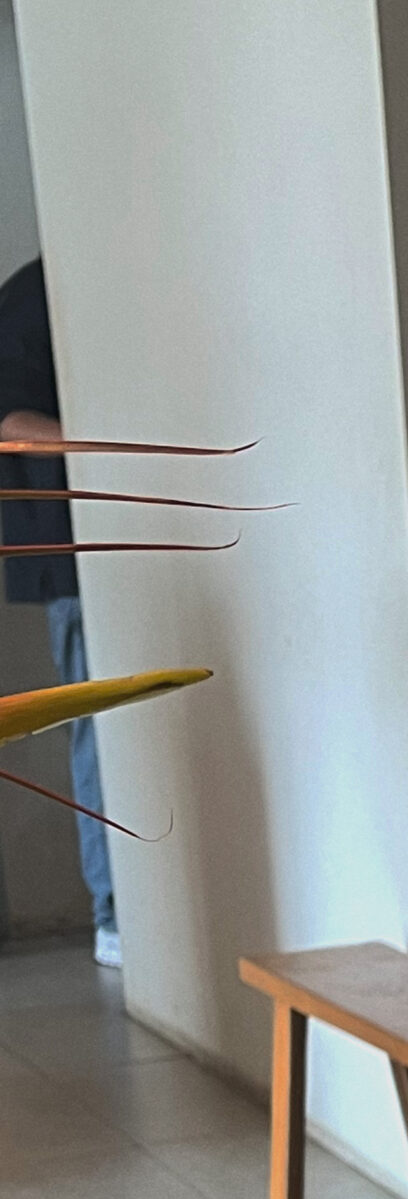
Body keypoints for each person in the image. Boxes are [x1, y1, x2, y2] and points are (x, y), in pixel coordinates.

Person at [0, 258, 116, 968]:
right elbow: (12, 422)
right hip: (72, 549)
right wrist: (114, 447)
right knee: (100, 726)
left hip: (110, 539)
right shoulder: (36, 295)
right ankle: (116, 914)